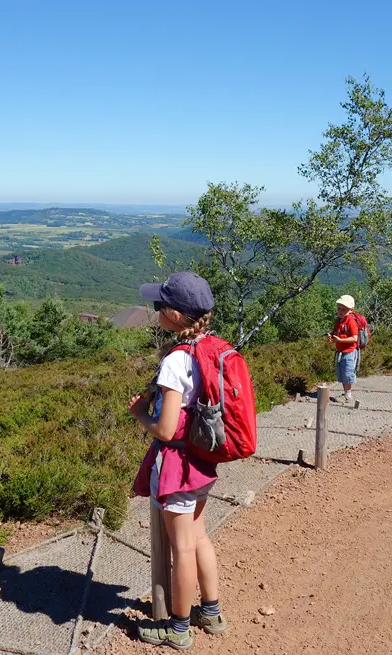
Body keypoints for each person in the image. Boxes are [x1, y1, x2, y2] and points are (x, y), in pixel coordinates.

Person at [129, 272, 228, 650]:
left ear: (172, 315)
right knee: (199, 536)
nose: (155, 310)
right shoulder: (211, 348)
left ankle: (179, 627)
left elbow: (167, 429)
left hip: (178, 467)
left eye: (159, 306)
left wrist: (141, 413)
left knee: (182, 546)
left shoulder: (176, 361)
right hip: (203, 460)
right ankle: (212, 612)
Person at [328, 294, 360, 402]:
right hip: (341, 351)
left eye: (344, 309)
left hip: (350, 351)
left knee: (347, 373)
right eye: (339, 308)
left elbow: (355, 338)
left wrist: (341, 340)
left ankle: (348, 396)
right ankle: (346, 394)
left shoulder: (351, 321)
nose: (340, 311)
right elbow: (335, 334)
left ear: (351, 310)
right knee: (342, 373)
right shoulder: (338, 320)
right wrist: (331, 338)